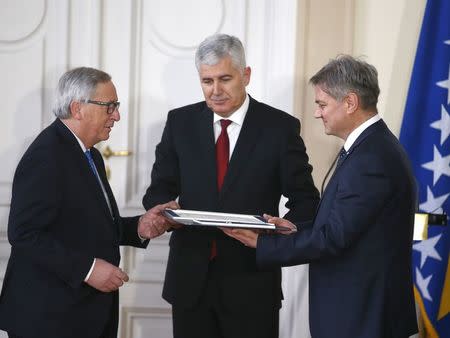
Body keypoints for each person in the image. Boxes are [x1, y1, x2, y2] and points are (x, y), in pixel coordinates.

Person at [224, 55, 418, 338]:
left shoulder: (371, 158)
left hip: (364, 316)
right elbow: (342, 223)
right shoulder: (368, 147)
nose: (317, 113)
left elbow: (334, 238)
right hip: (359, 311)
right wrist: (292, 230)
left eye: (322, 104)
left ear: (350, 103)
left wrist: (264, 245)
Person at [142, 33, 320, 338]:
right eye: (207, 81)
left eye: (225, 79)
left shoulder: (279, 128)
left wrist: (283, 230)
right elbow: (158, 190)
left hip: (252, 283)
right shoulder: (180, 123)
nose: (215, 91)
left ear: (245, 75)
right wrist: (166, 211)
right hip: (190, 281)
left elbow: (305, 200)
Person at [0, 67, 178, 338]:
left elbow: (91, 225)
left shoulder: (89, 154)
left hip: (81, 312)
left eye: (116, 106)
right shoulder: (47, 155)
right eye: (109, 107)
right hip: (49, 317)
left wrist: (141, 227)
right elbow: (24, 234)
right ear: (77, 108)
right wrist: (88, 269)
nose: (117, 115)